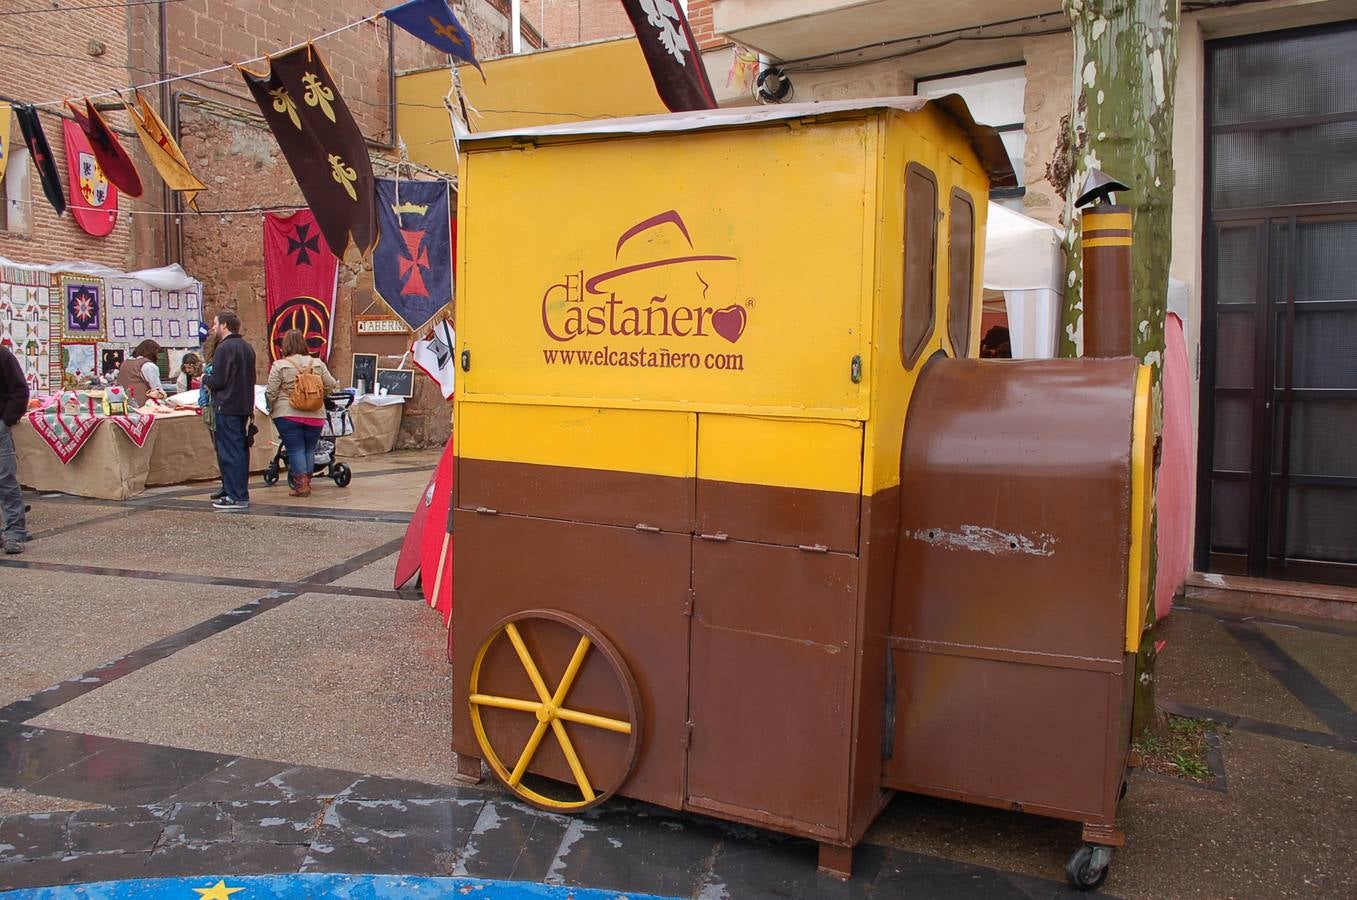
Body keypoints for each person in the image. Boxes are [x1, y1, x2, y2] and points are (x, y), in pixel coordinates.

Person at [265, 329, 338, 498]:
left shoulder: (280, 365)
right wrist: (320, 396)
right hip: (315, 413)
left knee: (295, 448)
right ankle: (307, 483)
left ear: (285, 346)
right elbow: (331, 384)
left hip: (287, 413)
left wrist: (270, 407)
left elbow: (271, 392)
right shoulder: (318, 364)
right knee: (309, 449)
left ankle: (301, 485)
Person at [202, 311, 257, 512]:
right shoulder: (247, 347)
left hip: (227, 406)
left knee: (230, 452)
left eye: (215, 324)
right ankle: (233, 490)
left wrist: (205, 378)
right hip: (242, 405)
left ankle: (237, 496)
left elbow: (218, 381)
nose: (213, 328)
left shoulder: (225, 348)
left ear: (224, 325)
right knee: (239, 451)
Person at [1, 345, 31, 554]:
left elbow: (20, 390)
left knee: (4, 480)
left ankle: (15, 532)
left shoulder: (3, 355)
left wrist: (6, 421)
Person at [118, 340, 168, 404]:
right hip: (143, 406)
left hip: (124, 403)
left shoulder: (125, 363)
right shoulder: (148, 366)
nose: (158, 356)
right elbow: (157, 390)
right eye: (157, 353)